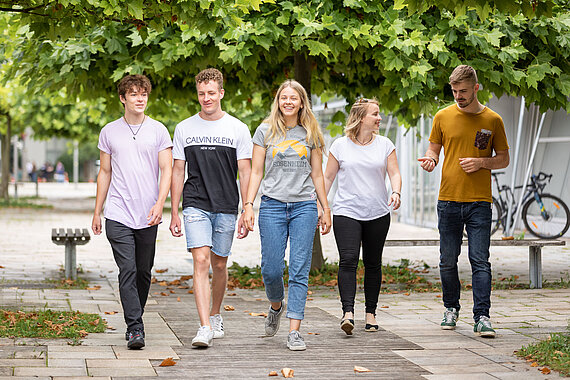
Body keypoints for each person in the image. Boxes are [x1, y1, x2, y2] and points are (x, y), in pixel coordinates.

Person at [418, 65, 509, 338]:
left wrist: (481, 162)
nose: (458, 96)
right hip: (448, 200)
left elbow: (503, 158)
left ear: (476, 88)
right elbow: (433, 149)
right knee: (447, 261)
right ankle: (450, 308)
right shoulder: (443, 116)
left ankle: (482, 317)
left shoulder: (493, 120)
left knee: (480, 261)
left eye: (463, 91)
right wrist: (431, 160)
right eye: (455, 91)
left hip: (480, 202)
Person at [242, 79, 331, 351]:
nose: (288, 102)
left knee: (299, 269)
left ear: (301, 102)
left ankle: (294, 331)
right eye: (284, 97)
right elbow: (256, 172)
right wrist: (248, 204)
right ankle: (276, 305)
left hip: (304, 205)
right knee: (270, 268)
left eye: (294, 98)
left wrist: (325, 208)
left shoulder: (311, 132)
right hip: (272, 205)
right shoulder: (265, 131)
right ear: (278, 101)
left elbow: (317, 174)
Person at [169, 68, 252, 349]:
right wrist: (174, 211)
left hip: (227, 205)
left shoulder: (238, 128)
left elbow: (245, 170)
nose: (206, 98)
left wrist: (246, 208)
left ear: (221, 94)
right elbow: (177, 171)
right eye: (202, 93)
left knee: (219, 263)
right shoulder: (184, 128)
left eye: (211, 93)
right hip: (195, 204)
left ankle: (216, 314)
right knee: (201, 261)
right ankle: (204, 326)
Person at [91, 74, 173, 350]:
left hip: (148, 213)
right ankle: (135, 328)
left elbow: (167, 170)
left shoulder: (159, 130)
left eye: (144, 94)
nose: (140, 99)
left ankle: (135, 318)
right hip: (117, 212)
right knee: (126, 269)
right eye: (134, 94)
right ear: (123, 98)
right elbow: (105, 172)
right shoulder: (109, 132)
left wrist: (161, 202)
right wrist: (97, 211)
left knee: (143, 271)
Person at [323, 98, 402, 335]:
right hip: (347, 212)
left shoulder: (385, 144)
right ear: (361, 118)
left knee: (372, 263)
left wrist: (396, 191)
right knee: (348, 260)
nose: (379, 118)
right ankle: (348, 313)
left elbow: (395, 173)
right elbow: (328, 178)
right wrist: (321, 205)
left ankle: (371, 313)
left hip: (378, 212)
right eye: (375, 114)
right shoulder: (340, 146)